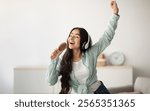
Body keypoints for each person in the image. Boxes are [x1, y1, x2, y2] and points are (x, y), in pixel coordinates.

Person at [47, 0, 120, 94]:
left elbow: (107, 37)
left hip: (98, 92)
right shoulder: (63, 60)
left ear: (84, 42)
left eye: (76, 36)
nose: (71, 38)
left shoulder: (91, 53)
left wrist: (115, 14)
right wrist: (54, 61)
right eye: (70, 35)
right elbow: (50, 81)